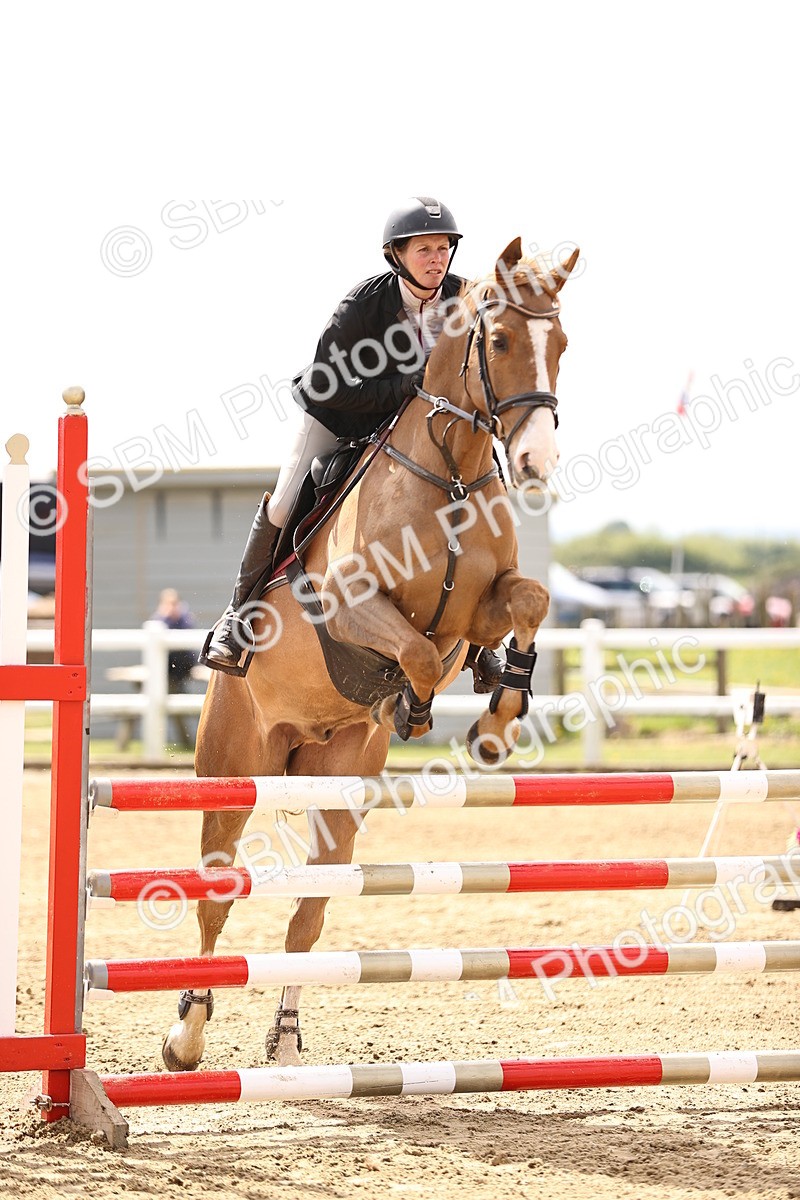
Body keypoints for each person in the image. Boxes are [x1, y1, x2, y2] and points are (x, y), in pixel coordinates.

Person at [200, 196, 502, 693]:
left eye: (444, 248)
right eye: (424, 250)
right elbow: (327, 386)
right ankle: (238, 616)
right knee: (286, 498)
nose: (437, 259)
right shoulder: (362, 306)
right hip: (339, 413)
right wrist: (405, 387)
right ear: (397, 255)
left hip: (420, 429)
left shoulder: (463, 300)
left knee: (485, 478)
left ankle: (485, 642)